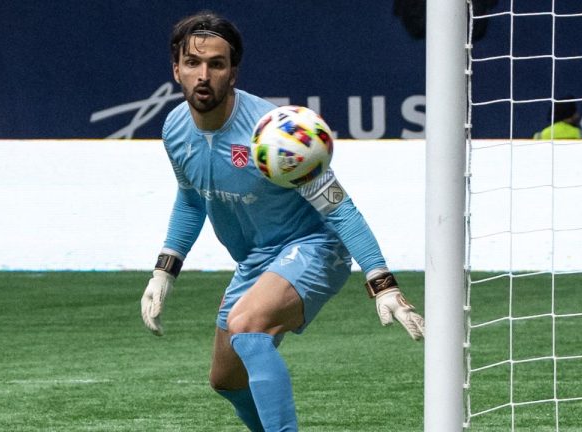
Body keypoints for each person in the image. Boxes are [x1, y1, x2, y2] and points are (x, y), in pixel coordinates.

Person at [139, 11, 424, 432]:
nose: (204, 75)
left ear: (233, 72)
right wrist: (164, 273)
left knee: (247, 326)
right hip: (256, 260)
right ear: (176, 69)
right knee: (226, 379)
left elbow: (339, 208)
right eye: (193, 63)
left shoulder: (275, 133)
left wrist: (382, 284)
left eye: (216, 64)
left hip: (313, 246)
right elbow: (190, 199)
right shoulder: (175, 129)